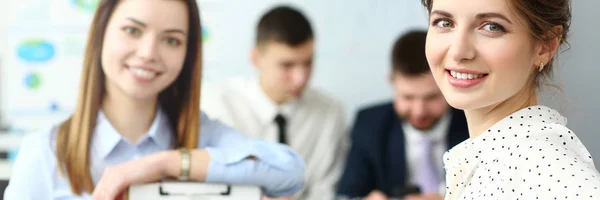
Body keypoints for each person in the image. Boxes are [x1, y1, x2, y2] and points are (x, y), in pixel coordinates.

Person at [3, 0, 305, 199]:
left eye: (171, 40)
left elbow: (289, 171)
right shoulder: (44, 153)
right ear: (101, 34)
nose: (149, 53)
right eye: (132, 30)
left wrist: (165, 164)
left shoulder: (204, 136)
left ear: (187, 55)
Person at [421, 0, 600, 199]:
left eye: (492, 27)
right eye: (444, 22)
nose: (458, 51)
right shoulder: (493, 157)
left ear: (545, 46)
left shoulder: (540, 162)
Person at [201, 5, 347, 200]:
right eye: (287, 65)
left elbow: (326, 187)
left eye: (308, 63)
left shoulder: (330, 112)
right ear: (256, 58)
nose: (300, 78)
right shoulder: (217, 103)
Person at [336, 30, 469, 200]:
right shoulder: (369, 125)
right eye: (408, 97)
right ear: (392, 82)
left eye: (432, 97)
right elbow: (346, 194)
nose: (419, 111)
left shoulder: (475, 123)